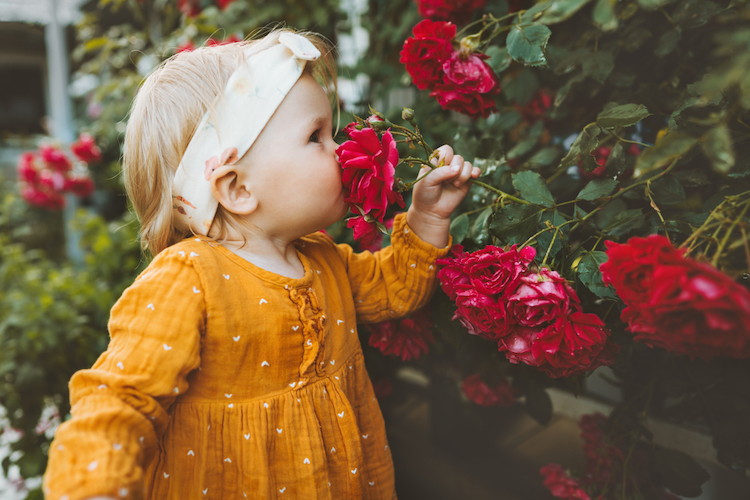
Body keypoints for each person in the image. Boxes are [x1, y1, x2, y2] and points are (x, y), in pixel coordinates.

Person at [43, 29, 479, 500]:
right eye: (316, 136)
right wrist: (95, 486)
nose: (340, 149)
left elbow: (395, 287)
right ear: (237, 190)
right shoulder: (187, 279)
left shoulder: (321, 256)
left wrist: (428, 217)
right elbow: (121, 396)